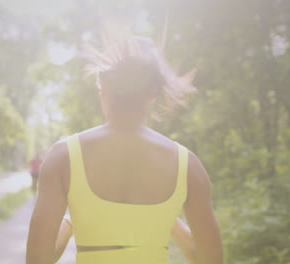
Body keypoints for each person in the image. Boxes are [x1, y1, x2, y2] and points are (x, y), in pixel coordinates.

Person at [26, 32, 223, 264]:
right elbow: (209, 259)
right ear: (153, 93)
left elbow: (39, 259)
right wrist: (165, 216)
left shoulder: (63, 157)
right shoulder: (188, 165)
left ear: (103, 88)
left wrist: (73, 220)